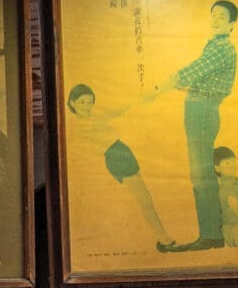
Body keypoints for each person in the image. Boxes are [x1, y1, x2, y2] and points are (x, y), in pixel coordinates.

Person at [148, 0, 238, 252]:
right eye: (213, 14)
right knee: (199, 174)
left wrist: (164, 83)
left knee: (202, 176)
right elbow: (196, 76)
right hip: (198, 109)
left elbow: (193, 71)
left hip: (202, 110)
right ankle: (211, 234)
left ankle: (211, 235)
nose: (215, 19)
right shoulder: (214, 45)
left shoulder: (222, 49)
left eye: (222, 17)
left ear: (232, 24)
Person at [65, 82, 169, 246]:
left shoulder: (88, 118)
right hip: (116, 157)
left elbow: (117, 110)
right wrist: (142, 98)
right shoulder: (79, 123)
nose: (87, 106)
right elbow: (116, 111)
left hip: (122, 153)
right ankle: (163, 239)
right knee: (144, 199)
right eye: (82, 102)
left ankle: (162, 238)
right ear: (72, 103)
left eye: (90, 102)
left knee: (144, 198)